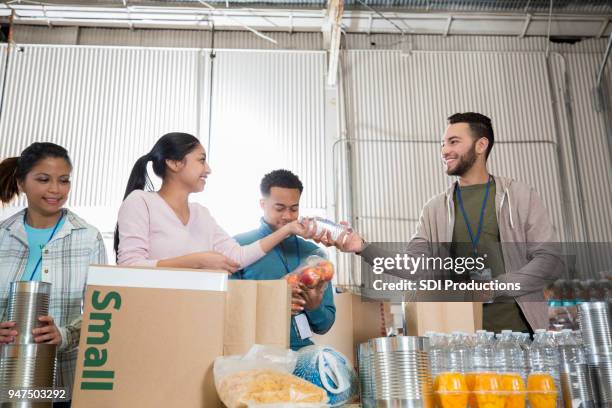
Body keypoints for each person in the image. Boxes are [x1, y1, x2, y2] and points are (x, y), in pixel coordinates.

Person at [326, 112, 563, 332]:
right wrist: (363, 248)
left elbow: (549, 260)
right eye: (442, 143)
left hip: (520, 335)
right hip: (460, 338)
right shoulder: (434, 209)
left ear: (481, 145)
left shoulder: (520, 196)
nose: (444, 150)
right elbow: (413, 266)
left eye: (453, 142)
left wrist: (497, 286)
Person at [0, 142, 108, 407]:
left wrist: (65, 334)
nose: (55, 190)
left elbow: (102, 314)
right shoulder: (2, 235)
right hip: (4, 379)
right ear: (22, 183)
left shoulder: (88, 238)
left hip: (60, 384)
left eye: (64, 180)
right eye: (43, 179)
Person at [115, 133, 313, 271]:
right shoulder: (141, 202)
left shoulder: (201, 214)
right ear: (174, 163)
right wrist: (197, 261)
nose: (208, 169)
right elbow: (129, 266)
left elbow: (238, 257)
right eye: (201, 160)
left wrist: (287, 230)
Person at [232, 170, 336, 350]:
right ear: (262, 204)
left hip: (302, 353)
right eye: (279, 208)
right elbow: (229, 311)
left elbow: (324, 325)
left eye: (294, 208)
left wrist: (314, 306)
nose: (288, 216)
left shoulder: (314, 254)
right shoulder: (238, 247)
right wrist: (273, 305)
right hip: (254, 354)